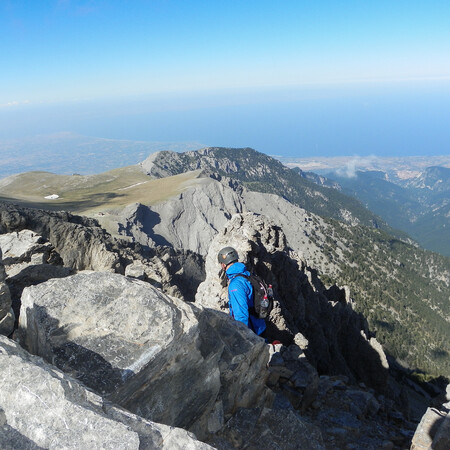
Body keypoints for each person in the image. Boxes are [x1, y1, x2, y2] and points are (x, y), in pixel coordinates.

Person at [217, 246, 266, 337]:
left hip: (252, 331)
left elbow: (240, 314)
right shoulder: (247, 274)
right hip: (259, 326)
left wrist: (241, 337)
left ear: (223, 265)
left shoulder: (236, 284)